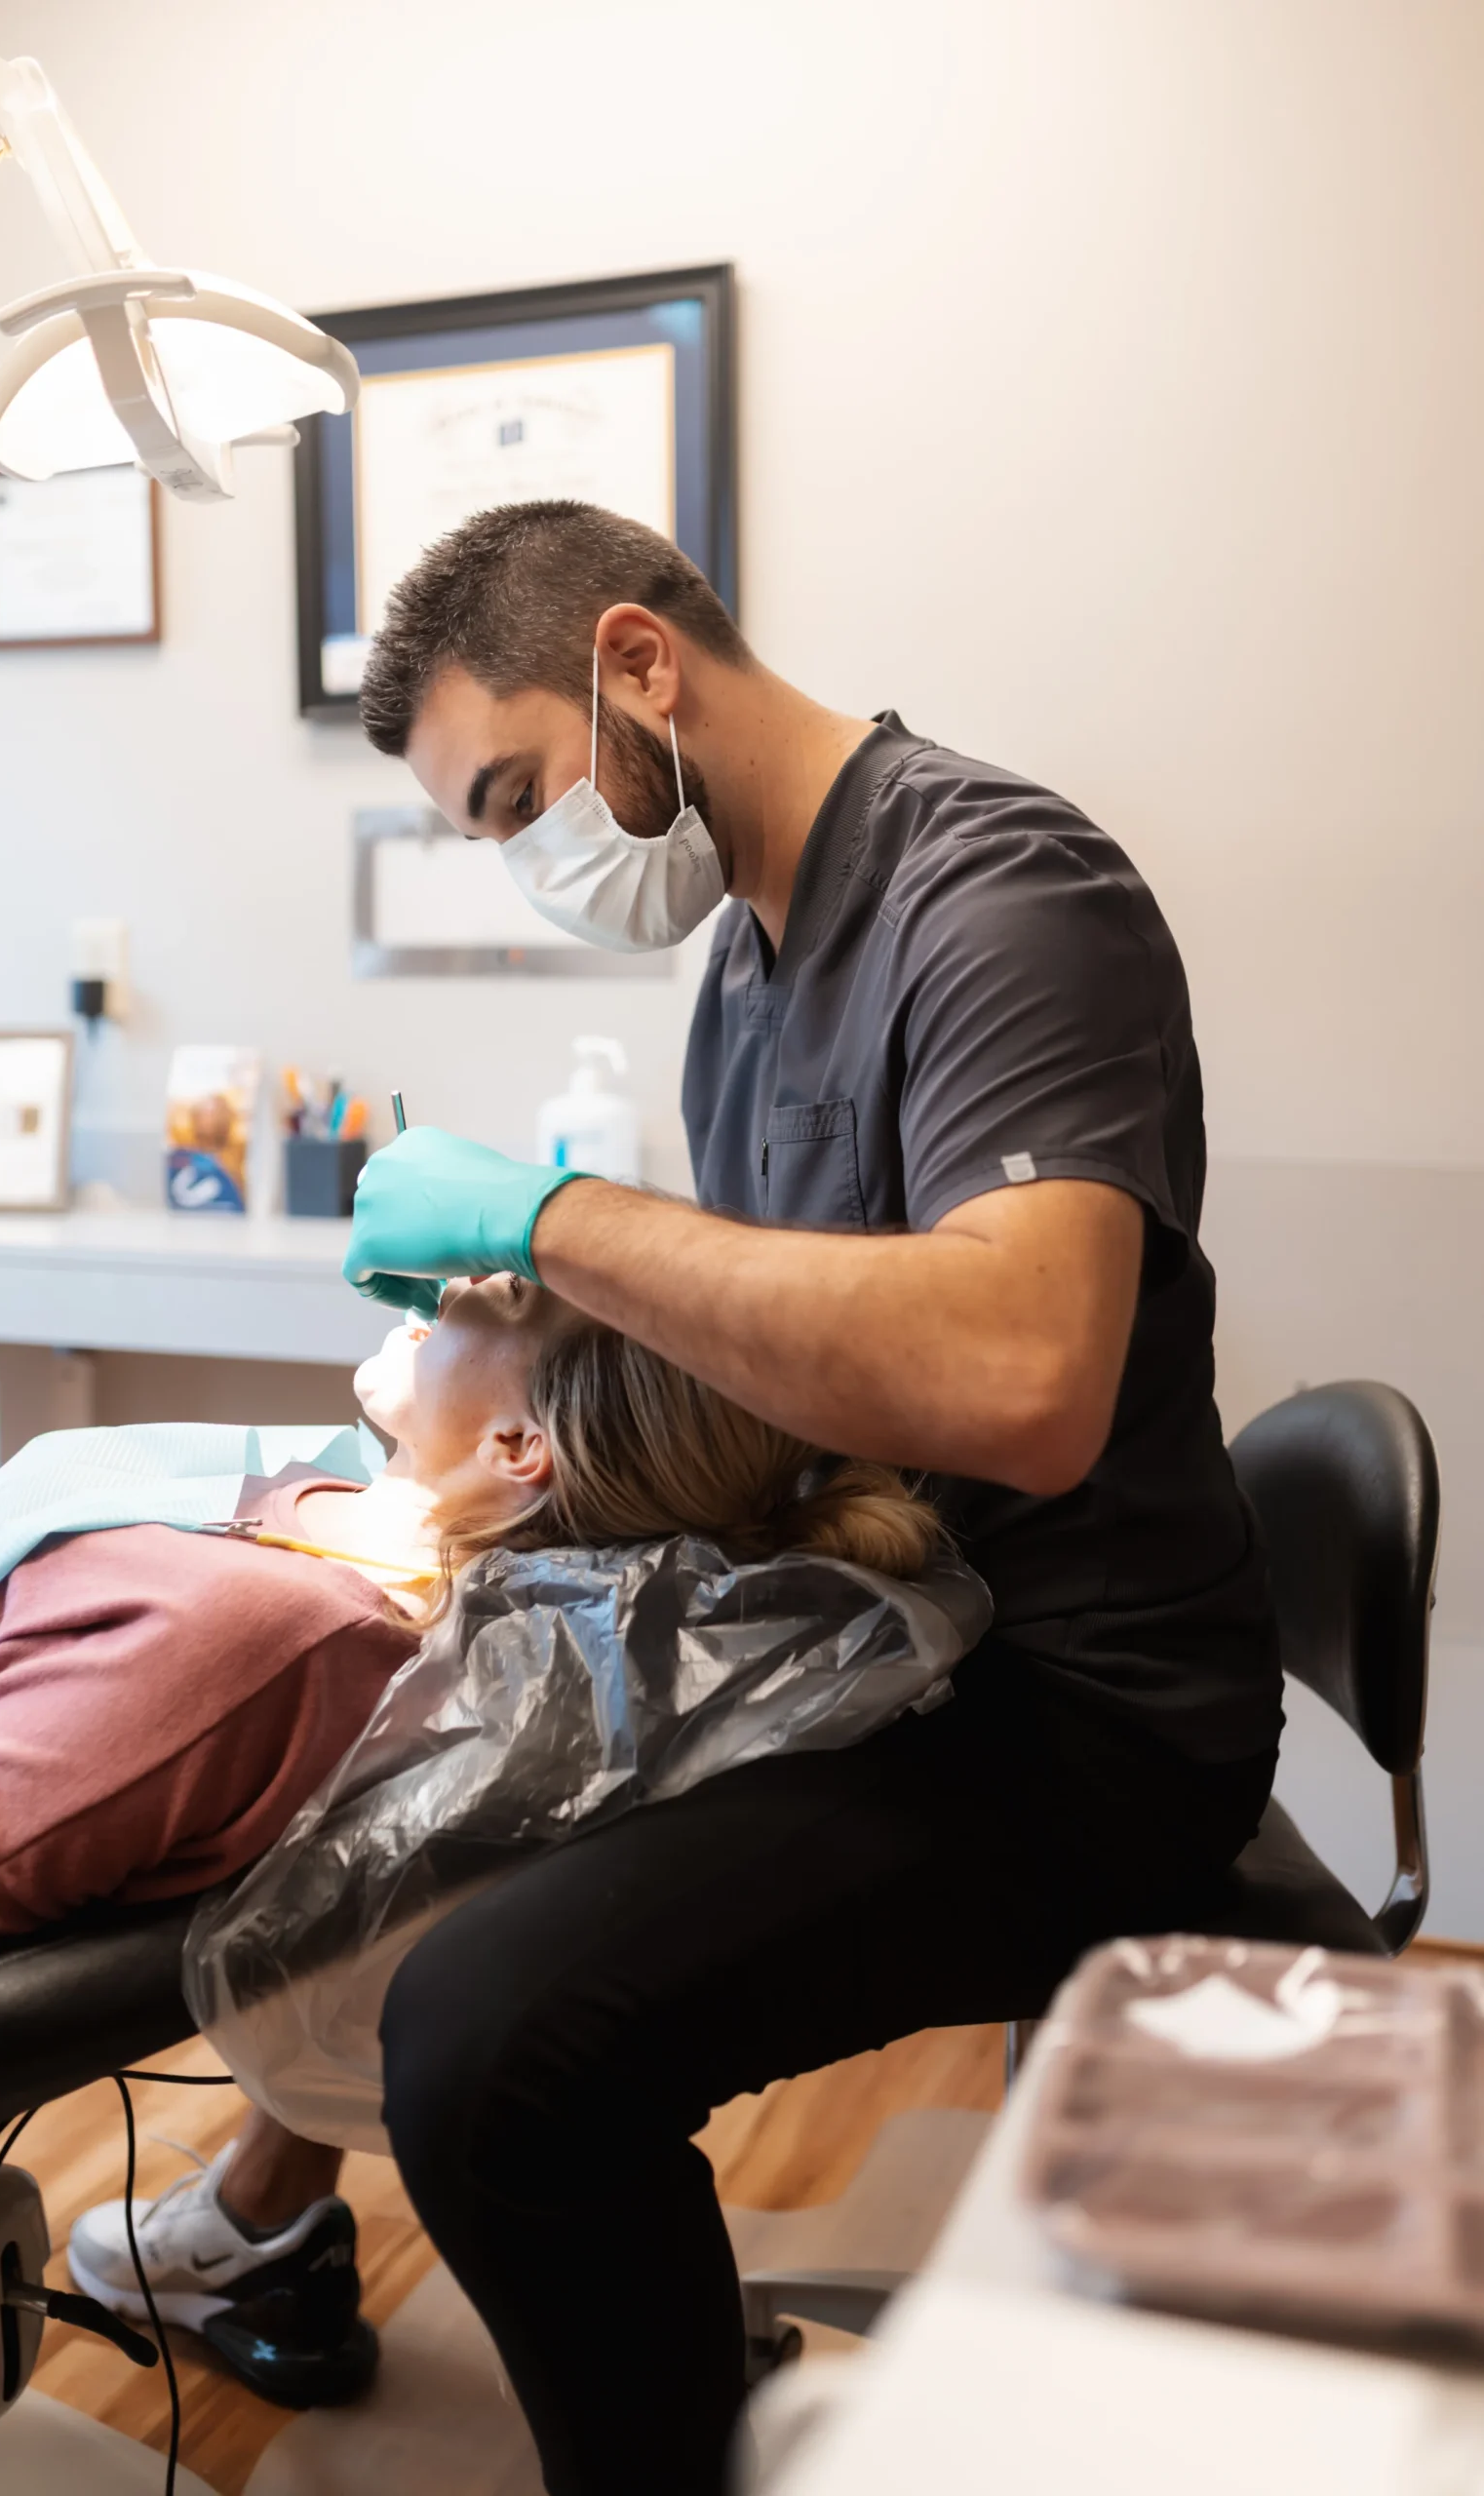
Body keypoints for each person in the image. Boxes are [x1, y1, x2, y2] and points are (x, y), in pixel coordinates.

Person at [320, 498, 1284, 2495]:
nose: (524, 867)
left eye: (514, 796)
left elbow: (1018, 1379)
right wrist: (531, 1363)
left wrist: (559, 1214)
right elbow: (794, 1369)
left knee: (491, 2045)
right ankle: (270, 2228)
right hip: (888, 1635)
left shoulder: (998, 891)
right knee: (408, 1816)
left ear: (636, 666)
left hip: (1075, 1710)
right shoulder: (744, 973)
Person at [0, 1272, 943, 2400]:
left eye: (498, 1294)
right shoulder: (329, 1501)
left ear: (518, 1445)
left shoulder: (240, 1641)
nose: (447, 1282)